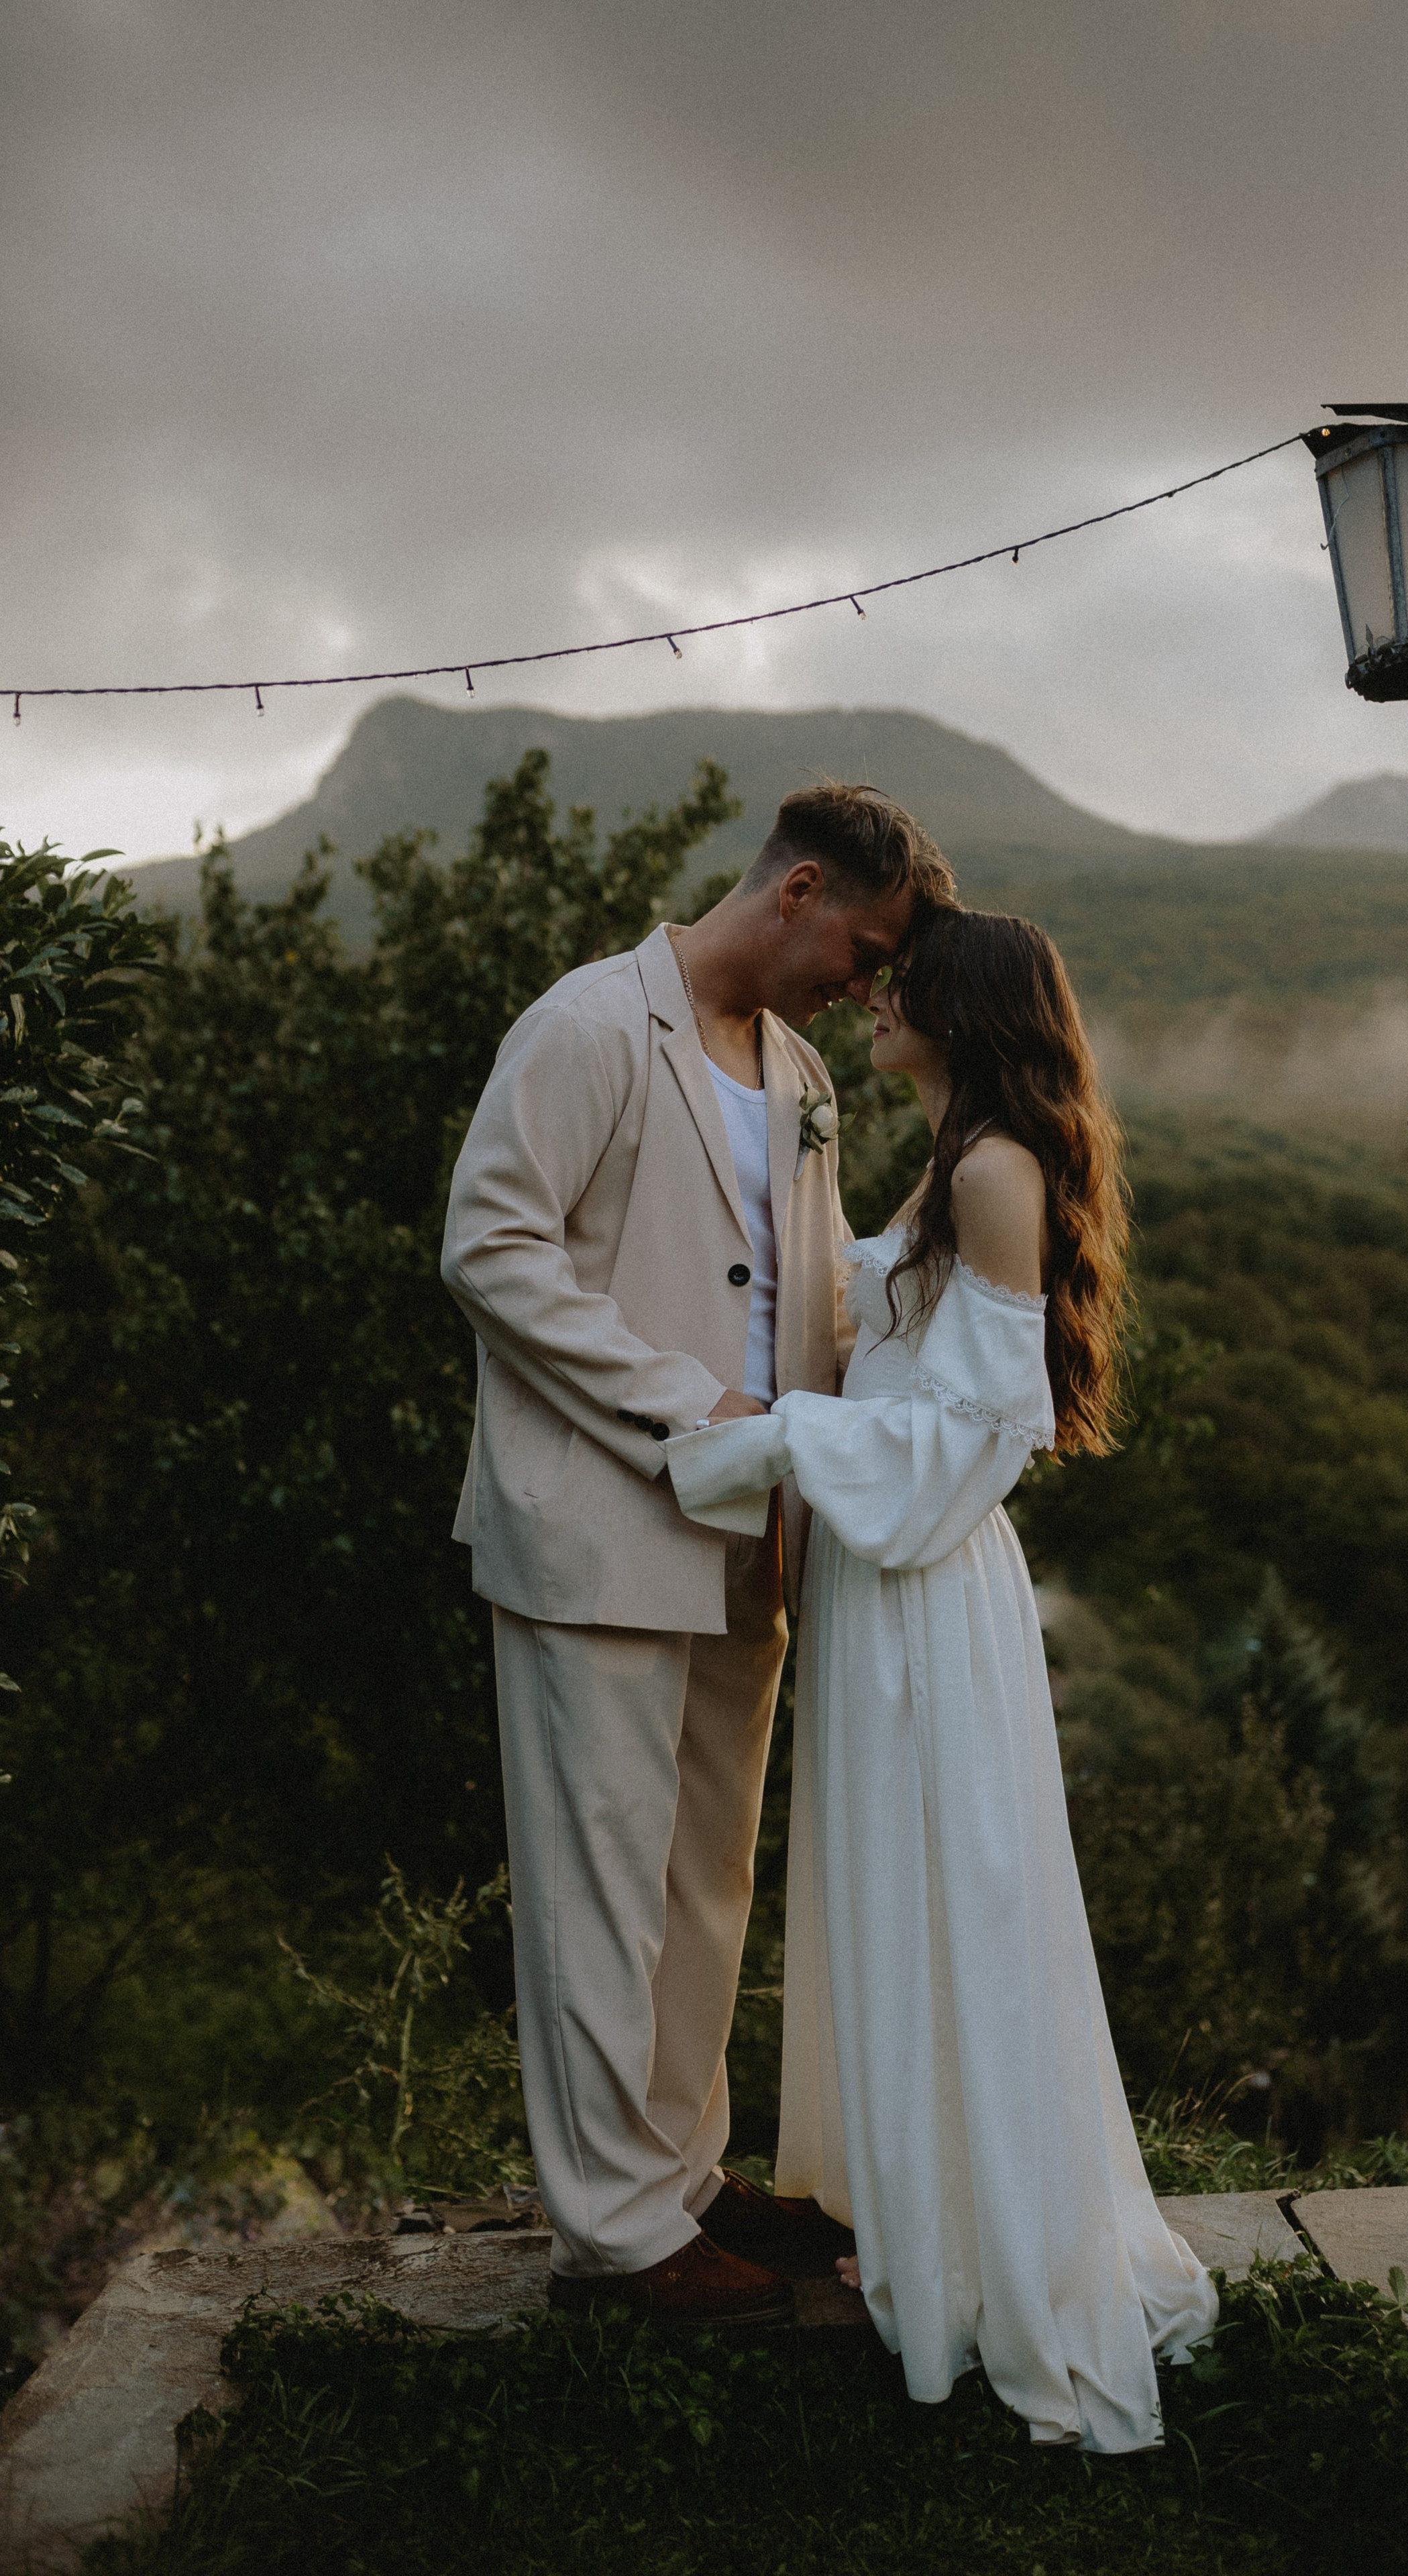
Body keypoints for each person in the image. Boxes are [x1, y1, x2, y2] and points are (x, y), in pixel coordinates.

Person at [667, 907, 1219, 2448]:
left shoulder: (989, 1173)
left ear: (963, 1014)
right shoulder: (948, 1161)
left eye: (900, 985)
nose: (872, 998)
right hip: (877, 1578)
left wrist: (771, 1442)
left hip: (924, 1586)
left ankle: (984, 2259)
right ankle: (924, 2216)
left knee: (950, 1905)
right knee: (898, 1901)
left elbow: (980, 1436)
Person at [441, 781, 957, 2327]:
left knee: (702, 1879)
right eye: (863, 948)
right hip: (600, 1528)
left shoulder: (797, 1069)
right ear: (797, 891)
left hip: (753, 1535)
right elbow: (490, 1249)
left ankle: (680, 2172)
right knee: (600, 1879)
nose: (864, 986)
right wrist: (689, 1406)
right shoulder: (591, 1025)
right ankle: (614, 2237)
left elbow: (806, 1292)